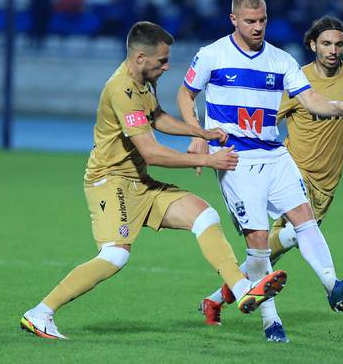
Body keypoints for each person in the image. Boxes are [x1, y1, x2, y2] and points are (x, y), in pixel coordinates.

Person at [19, 21, 287, 340]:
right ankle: (41, 313)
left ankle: (242, 290)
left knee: (204, 215)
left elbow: (156, 117)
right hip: (110, 182)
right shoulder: (121, 89)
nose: (166, 66)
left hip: (139, 182)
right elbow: (152, 153)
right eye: (162, 61)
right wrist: (206, 158)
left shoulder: (145, 81)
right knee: (115, 255)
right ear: (141, 57)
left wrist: (199, 132)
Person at [177, 0, 343, 343]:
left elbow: (310, 99)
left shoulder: (280, 60)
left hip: (276, 155)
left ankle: (332, 285)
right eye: (250, 21)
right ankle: (271, 322)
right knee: (260, 242)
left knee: (304, 219)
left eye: (262, 20)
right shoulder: (212, 55)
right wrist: (197, 133)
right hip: (236, 160)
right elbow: (186, 94)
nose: (257, 27)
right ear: (233, 20)